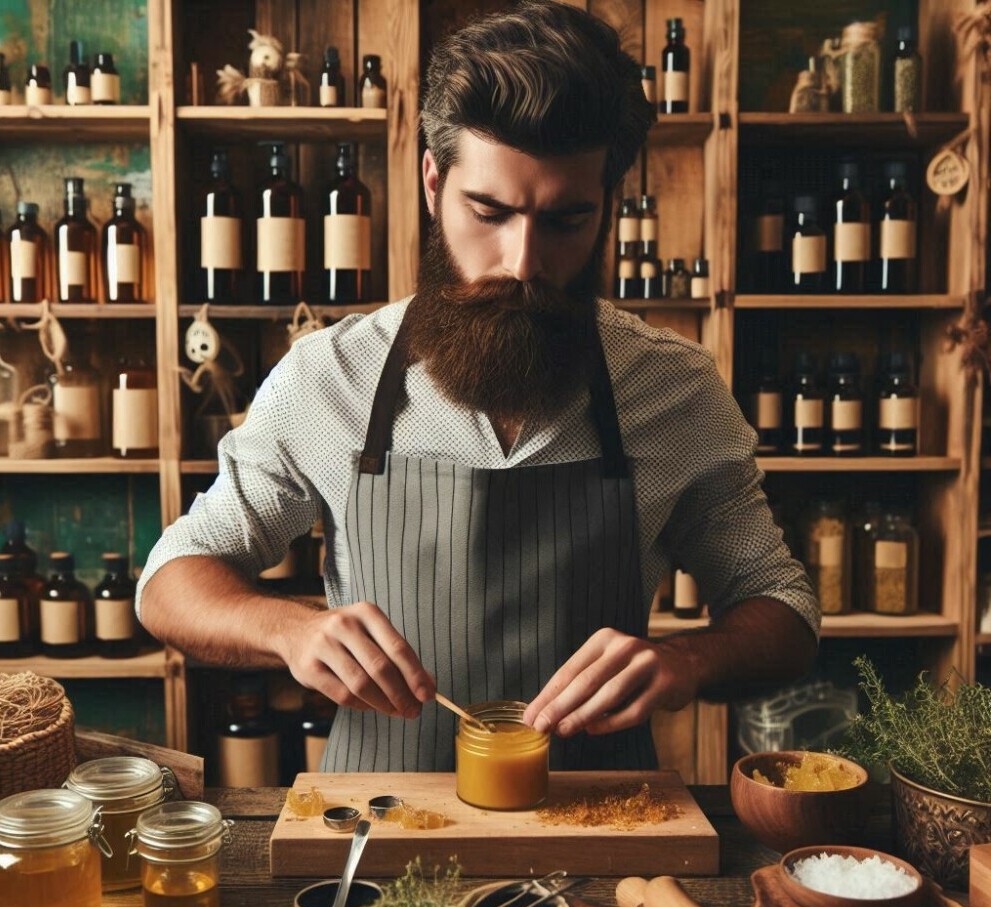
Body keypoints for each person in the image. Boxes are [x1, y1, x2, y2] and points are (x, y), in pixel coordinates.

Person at [137, 0, 819, 772]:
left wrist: (684, 664)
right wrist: (286, 629)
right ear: (434, 182)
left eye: (565, 221)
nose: (521, 261)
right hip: (382, 831)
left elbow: (783, 610)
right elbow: (169, 582)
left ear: (608, 208)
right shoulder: (330, 378)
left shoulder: (672, 389)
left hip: (598, 830)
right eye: (488, 211)